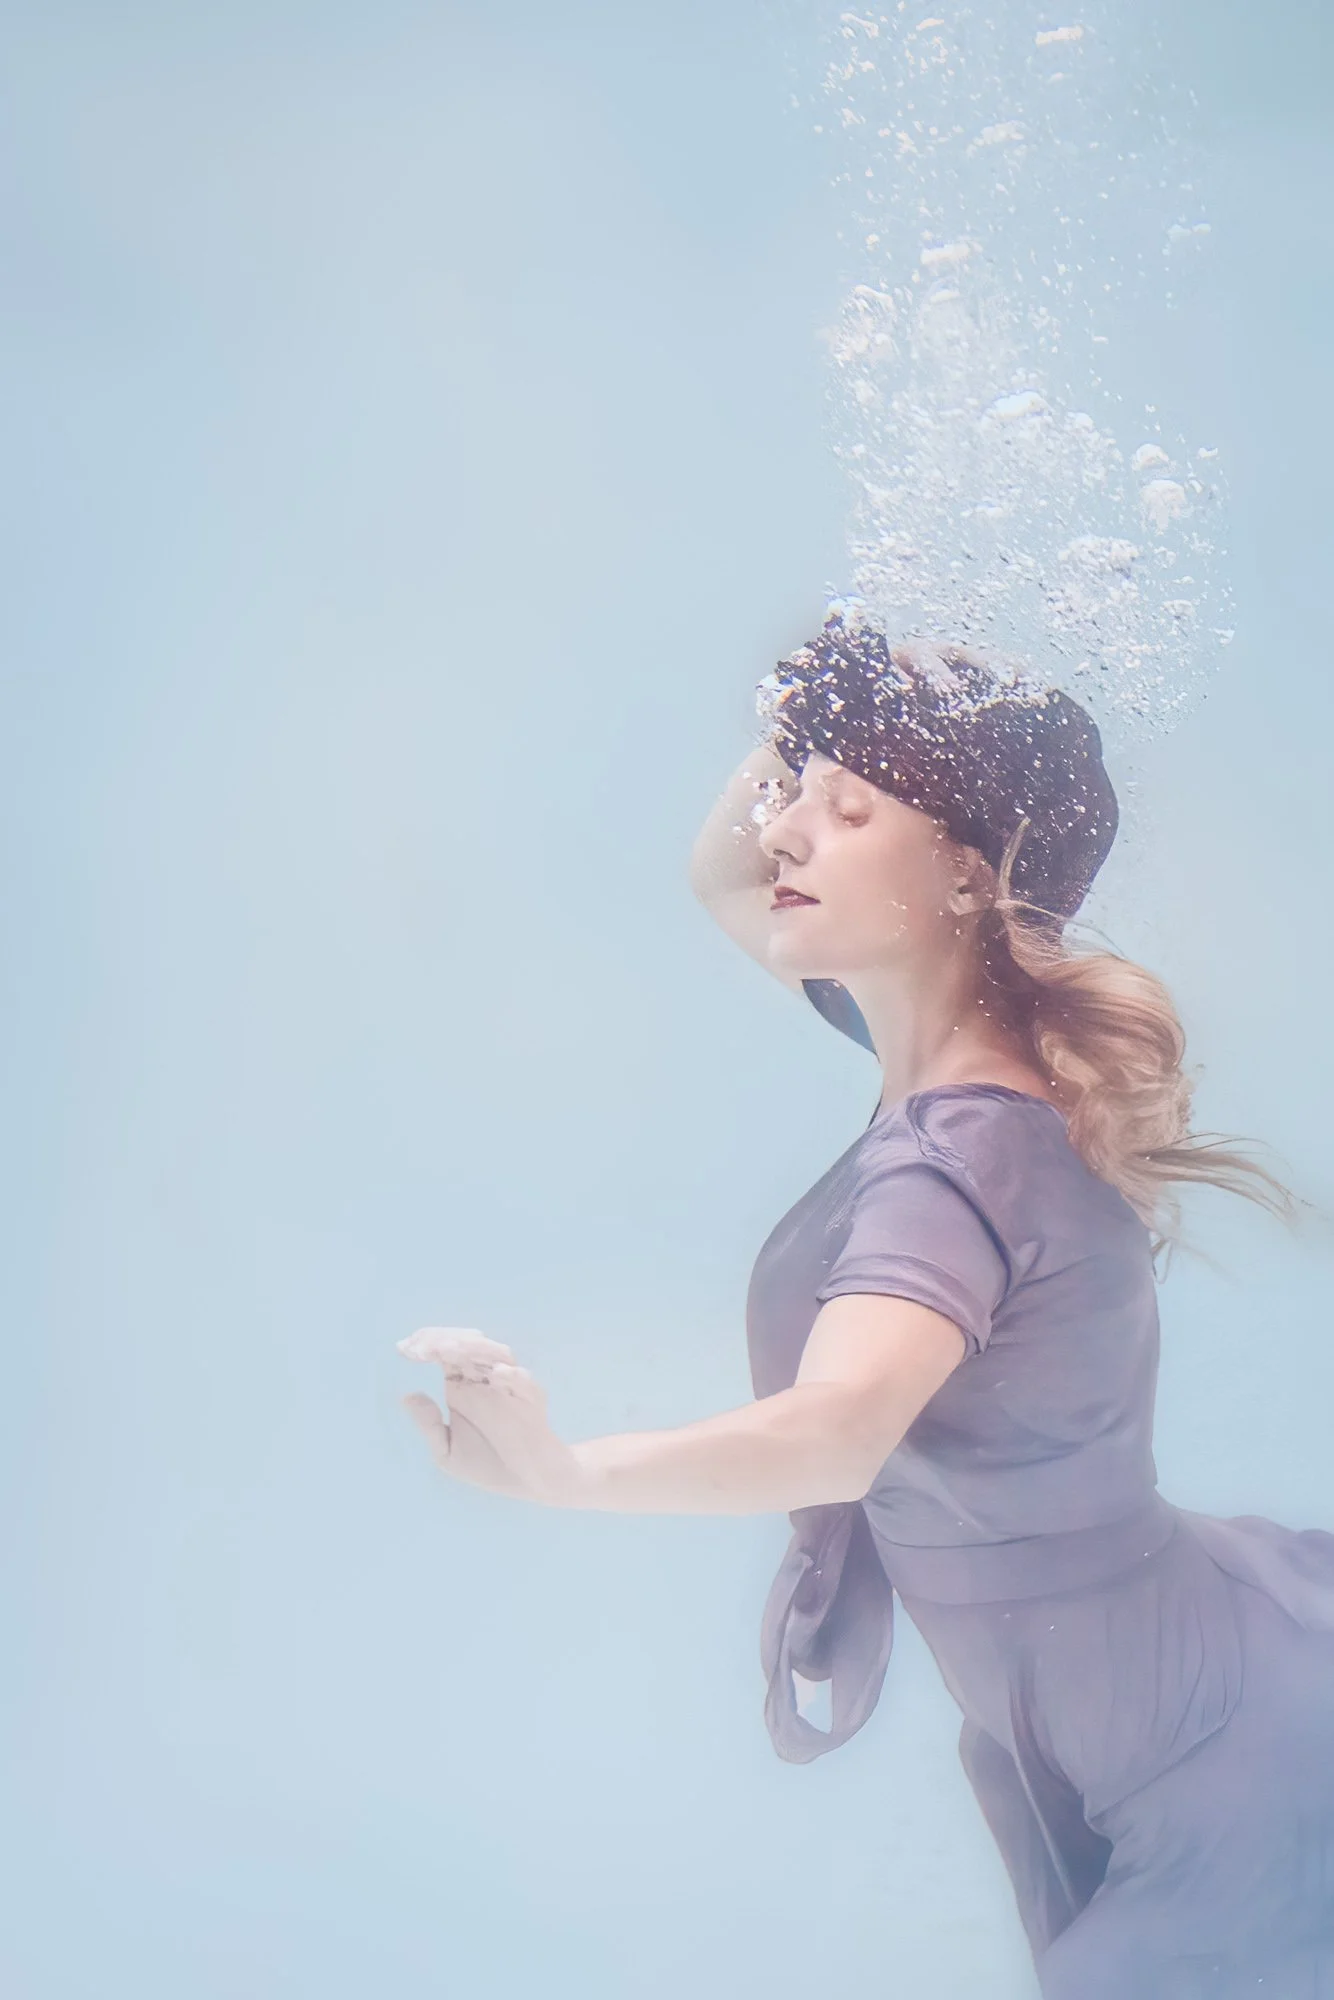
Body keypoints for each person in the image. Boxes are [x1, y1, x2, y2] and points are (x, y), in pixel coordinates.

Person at [398, 610, 1334, 1997]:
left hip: (1220, 1763)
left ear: (962, 876)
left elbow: (838, 1428)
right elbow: (726, 872)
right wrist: (819, 714)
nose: (782, 833)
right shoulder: (948, 1039)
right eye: (797, 801)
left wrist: (566, 1472)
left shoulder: (955, 1154)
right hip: (1157, 1691)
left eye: (843, 814)